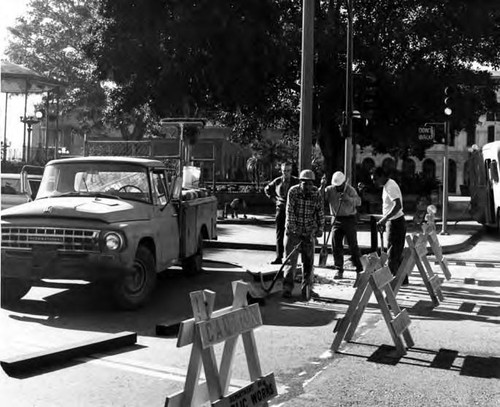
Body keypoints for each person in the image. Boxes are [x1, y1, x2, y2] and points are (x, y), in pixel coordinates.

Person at [282, 169, 324, 299]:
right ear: (301, 182)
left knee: (309, 262)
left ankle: (307, 289)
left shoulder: (316, 193)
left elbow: (319, 212)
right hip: (293, 232)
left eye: (310, 184)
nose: (308, 187)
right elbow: (290, 213)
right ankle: (287, 288)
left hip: (308, 231)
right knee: (290, 261)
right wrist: (296, 230)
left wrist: (319, 228)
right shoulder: (293, 192)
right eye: (305, 184)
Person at [320, 171, 363, 279]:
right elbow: (320, 197)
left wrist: (348, 199)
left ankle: (359, 269)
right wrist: (322, 186)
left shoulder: (350, 190)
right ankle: (339, 268)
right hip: (336, 219)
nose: (338, 188)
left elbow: (359, 202)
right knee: (336, 245)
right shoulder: (330, 189)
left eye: (340, 186)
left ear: (344, 183)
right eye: (336, 186)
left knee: (353, 245)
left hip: (349, 219)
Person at [371, 167, 408, 283]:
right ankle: (403, 279)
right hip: (393, 222)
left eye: (375, 179)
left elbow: (398, 205)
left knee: (392, 254)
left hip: (395, 222)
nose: (374, 182)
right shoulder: (387, 186)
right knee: (397, 252)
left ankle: (390, 282)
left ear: (382, 176)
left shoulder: (390, 186)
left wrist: (385, 219)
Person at [264, 162, 300, 264]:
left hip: (293, 211)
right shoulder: (277, 181)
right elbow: (267, 189)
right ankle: (279, 257)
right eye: (284, 171)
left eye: (288, 171)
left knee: (293, 234)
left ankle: (291, 257)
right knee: (280, 234)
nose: (286, 173)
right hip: (281, 209)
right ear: (281, 171)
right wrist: (274, 199)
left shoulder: (296, 181)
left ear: (291, 170)